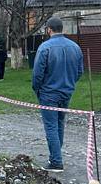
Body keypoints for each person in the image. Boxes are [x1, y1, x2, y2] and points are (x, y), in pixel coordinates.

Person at [31, 16, 83, 170]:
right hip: (66, 92)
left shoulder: (45, 47)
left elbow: (37, 74)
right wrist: (70, 83)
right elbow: (79, 71)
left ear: (49, 29)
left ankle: (56, 161)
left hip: (48, 93)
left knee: (51, 126)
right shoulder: (75, 47)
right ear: (62, 29)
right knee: (60, 124)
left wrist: (37, 89)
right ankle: (56, 155)